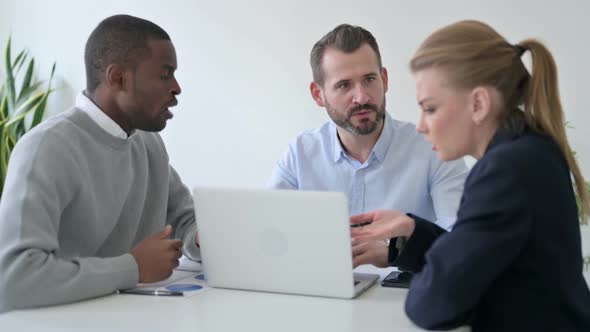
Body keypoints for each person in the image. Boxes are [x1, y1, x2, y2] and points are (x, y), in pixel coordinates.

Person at [350, 20, 590, 331]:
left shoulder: (507, 171)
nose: (421, 125)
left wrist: (428, 270)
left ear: (478, 104)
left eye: (430, 108)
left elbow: (432, 304)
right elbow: (480, 260)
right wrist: (411, 231)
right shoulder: (529, 150)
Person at [0, 14, 200, 312]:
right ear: (117, 77)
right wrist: (132, 268)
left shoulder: (147, 142)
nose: (177, 87)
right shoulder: (47, 148)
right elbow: (12, 278)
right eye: (165, 74)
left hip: (131, 318)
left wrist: (200, 239)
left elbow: (184, 221)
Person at [267, 24, 468, 268]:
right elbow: (268, 232)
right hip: (323, 295)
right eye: (344, 85)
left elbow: (463, 243)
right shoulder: (301, 152)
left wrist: (397, 251)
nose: (361, 97)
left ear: (384, 79)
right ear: (318, 94)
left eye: (369, 79)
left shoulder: (434, 149)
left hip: (403, 299)